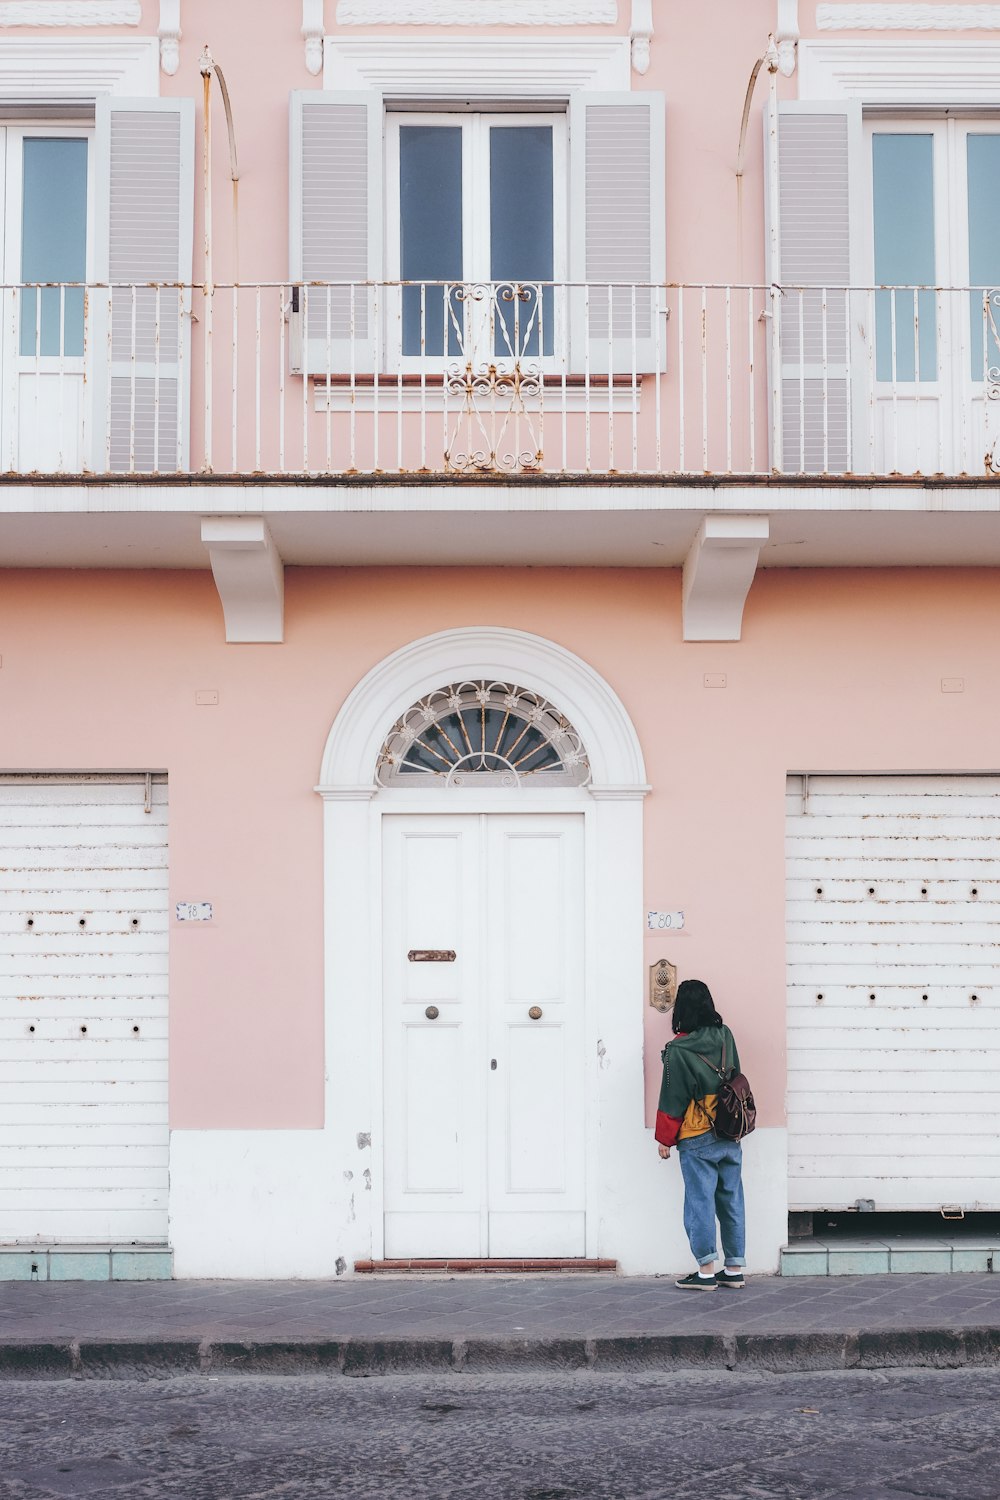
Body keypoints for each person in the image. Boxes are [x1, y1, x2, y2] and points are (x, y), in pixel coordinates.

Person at [655, 978, 747, 1290]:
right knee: (732, 1199)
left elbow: (672, 1099)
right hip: (729, 1128)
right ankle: (734, 1269)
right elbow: (734, 1075)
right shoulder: (725, 1035)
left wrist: (664, 1139)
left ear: (681, 1008)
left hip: (696, 1135)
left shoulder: (678, 1050)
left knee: (700, 1202)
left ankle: (706, 1271)